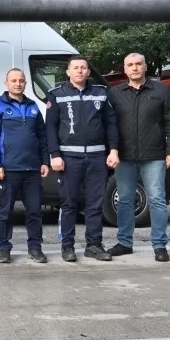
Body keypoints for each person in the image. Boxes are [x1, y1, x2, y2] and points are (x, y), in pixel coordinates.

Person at [45, 55, 120, 263]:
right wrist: (55, 155)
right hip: (69, 159)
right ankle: (67, 246)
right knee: (68, 204)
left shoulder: (101, 93)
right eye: (75, 67)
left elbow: (111, 124)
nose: (79, 71)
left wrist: (114, 150)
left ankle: (94, 245)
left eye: (83, 68)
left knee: (95, 205)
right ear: (68, 72)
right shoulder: (56, 95)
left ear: (88, 72)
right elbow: (50, 128)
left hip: (97, 157)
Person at [107, 53, 170, 263]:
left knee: (157, 199)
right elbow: (109, 125)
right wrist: (112, 150)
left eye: (138, 64)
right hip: (124, 156)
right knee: (125, 200)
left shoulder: (161, 91)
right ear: (124, 69)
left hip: (154, 155)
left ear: (145, 67)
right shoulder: (115, 93)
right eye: (130, 65)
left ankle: (160, 245)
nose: (135, 68)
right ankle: (124, 243)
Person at [0, 68, 50, 265]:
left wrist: (45, 161)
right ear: (6, 84)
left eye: (21, 80)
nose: (17, 84)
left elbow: (42, 136)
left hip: (32, 169)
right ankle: (3, 248)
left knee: (34, 212)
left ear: (25, 83)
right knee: (5, 212)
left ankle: (35, 248)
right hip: (8, 169)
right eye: (13, 80)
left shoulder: (33, 106)